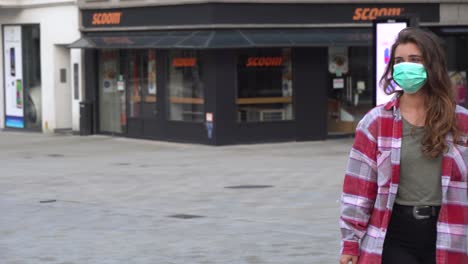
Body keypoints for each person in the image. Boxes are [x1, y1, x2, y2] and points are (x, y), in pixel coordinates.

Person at [339, 27, 468, 264]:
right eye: (399, 61)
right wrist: (350, 242)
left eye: (415, 60)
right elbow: (358, 188)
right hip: (394, 236)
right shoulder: (376, 122)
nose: (405, 66)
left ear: (432, 65)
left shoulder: (461, 122)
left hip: (452, 233)